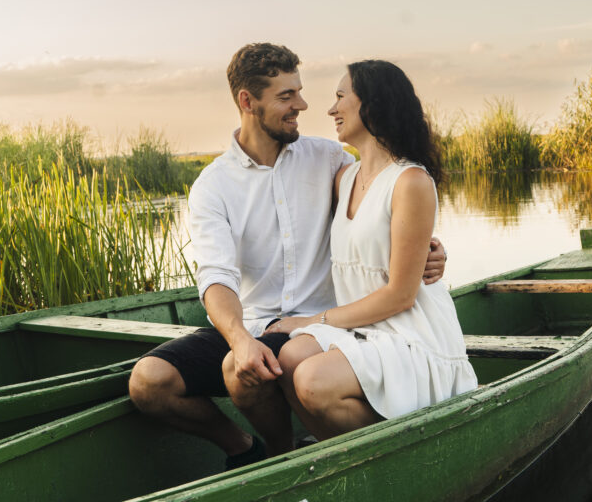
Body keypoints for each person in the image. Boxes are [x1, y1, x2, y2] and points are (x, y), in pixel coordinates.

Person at [128, 44, 446, 469]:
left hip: (322, 325)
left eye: (299, 91)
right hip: (256, 322)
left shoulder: (330, 159)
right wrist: (240, 338)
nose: (303, 105)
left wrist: (435, 249)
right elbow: (216, 277)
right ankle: (246, 448)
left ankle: (281, 460)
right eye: (285, 96)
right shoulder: (213, 185)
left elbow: (381, 214)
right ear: (247, 101)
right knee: (149, 382)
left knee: (240, 371)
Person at [268, 60, 477, 440]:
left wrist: (312, 320)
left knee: (312, 379)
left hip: (409, 335)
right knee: (289, 359)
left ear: (373, 103)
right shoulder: (344, 178)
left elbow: (400, 295)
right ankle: (339, 451)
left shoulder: (410, 180)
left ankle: (394, 451)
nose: (331, 110)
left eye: (340, 97)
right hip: (364, 331)